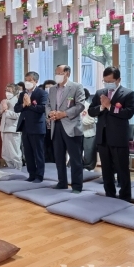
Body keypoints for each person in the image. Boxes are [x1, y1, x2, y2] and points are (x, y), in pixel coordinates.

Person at [89, 67, 134, 201]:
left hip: (118, 136)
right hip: (103, 136)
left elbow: (128, 113)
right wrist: (101, 107)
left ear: (118, 80)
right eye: (105, 81)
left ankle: (125, 195)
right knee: (106, 168)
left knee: (122, 168)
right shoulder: (100, 92)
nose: (107, 84)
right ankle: (109, 194)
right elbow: (91, 111)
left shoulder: (128, 93)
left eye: (110, 81)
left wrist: (110, 107)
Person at [46, 65, 86, 193]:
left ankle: (77, 186)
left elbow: (80, 105)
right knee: (59, 157)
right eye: (55, 72)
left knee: (75, 158)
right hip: (55, 125)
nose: (57, 75)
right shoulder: (52, 89)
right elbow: (47, 104)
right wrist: (50, 113)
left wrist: (64, 114)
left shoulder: (76, 87)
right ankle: (62, 182)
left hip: (71, 126)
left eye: (59, 73)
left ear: (67, 73)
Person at [15, 72, 48, 183]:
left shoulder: (42, 93)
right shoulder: (22, 94)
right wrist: (24, 105)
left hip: (37, 127)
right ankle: (31, 174)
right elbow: (16, 108)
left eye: (30, 80)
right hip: (25, 126)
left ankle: (39, 176)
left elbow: (42, 109)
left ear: (36, 81)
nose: (27, 82)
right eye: (26, 79)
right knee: (27, 152)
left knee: (38, 153)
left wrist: (30, 104)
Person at [0, 83, 22, 169]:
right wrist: (1, 111)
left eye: (9, 91)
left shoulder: (18, 101)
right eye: (6, 91)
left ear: (15, 92)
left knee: (14, 152)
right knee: (5, 153)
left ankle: (18, 169)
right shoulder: (4, 101)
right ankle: (11, 169)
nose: (7, 92)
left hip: (13, 129)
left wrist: (6, 111)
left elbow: (18, 116)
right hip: (4, 128)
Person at [81, 89, 97, 171]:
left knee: (89, 152)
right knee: (76, 151)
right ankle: (79, 166)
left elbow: (92, 120)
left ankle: (89, 168)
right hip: (77, 133)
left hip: (89, 132)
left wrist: (79, 121)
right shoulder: (73, 106)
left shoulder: (89, 106)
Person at [42, 79, 57, 163]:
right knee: (45, 148)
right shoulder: (43, 98)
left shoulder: (58, 98)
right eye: (46, 87)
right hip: (44, 128)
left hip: (55, 127)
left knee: (55, 148)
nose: (48, 89)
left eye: (50, 87)